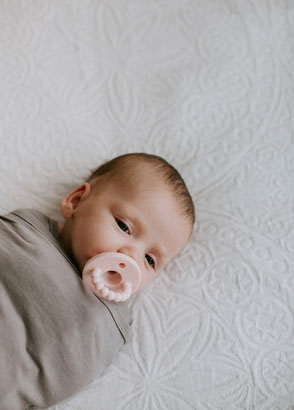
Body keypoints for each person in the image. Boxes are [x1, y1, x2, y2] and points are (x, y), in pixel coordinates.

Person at [0, 153, 195, 410]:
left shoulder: (114, 324)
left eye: (149, 260)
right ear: (77, 200)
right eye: (124, 227)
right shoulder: (26, 232)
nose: (131, 258)